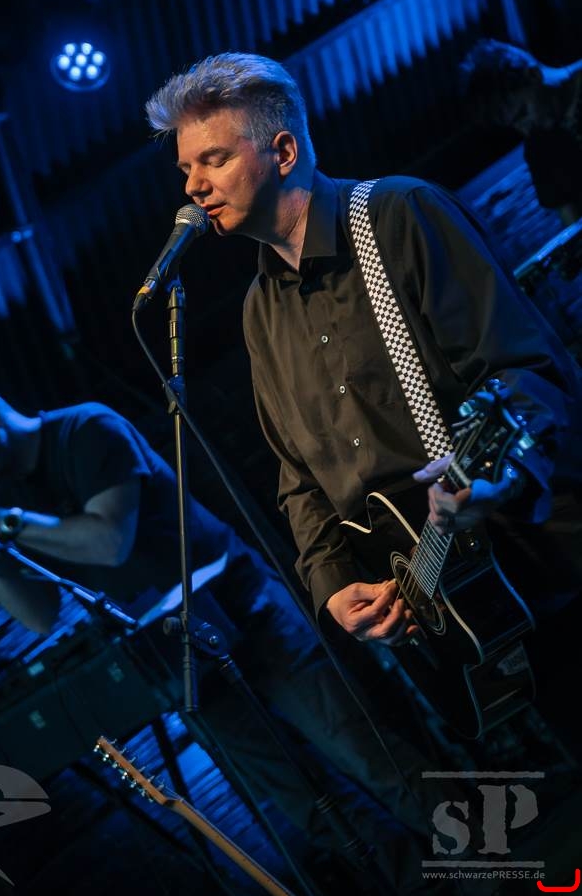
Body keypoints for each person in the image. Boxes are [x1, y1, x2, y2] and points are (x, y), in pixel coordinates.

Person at [144, 51, 582, 767]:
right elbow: (298, 481)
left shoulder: (399, 215)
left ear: (283, 151)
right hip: (451, 610)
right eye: (186, 169)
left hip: (541, 555)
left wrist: (502, 475)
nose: (193, 186)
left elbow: (524, 368)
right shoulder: (259, 315)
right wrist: (334, 586)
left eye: (213, 160)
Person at [0, 367, 473, 896]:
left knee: (366, 754)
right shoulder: (9, 500)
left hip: (246, 613)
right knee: (307, 806)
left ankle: (486, 863)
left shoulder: (85, 429)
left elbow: (110, 542)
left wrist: (2, 523)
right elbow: (37, 614)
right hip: (179, 662)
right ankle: (423, 893)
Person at [459, 38, 582, 224]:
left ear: (533, 75)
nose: (525, 129)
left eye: (523, 113)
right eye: (515, 125)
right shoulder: (540, 148)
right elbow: (571, 223)